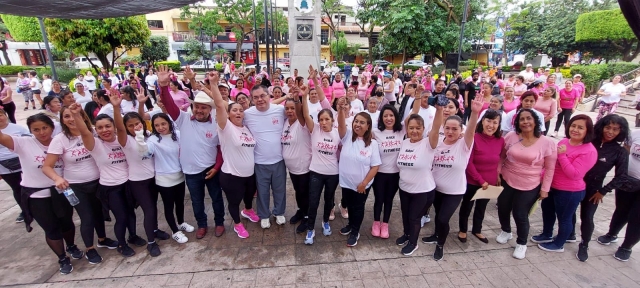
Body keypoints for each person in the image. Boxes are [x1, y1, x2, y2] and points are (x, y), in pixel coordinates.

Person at [0, 114, 82, 274]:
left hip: (61, 192)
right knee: (51, 228)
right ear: (30, 131)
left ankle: (71, 246)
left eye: (44, 128)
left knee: (66, 223)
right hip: (36, 195)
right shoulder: (23, 142)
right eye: (36, 129)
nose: (41, 132)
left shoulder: (60, 142)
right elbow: (2, 137)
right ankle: (62, 257)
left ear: (51, 127)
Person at [43, 106, 119, 265]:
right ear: (62, 120)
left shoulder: (94, 131)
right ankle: (90, 249)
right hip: (76, 186)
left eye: (74, 115)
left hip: (99, 181)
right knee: (87, 217)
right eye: (66, 116)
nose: (71, 119)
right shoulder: (60, 139)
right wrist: (57, 178)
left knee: (99, 213)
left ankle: (102, 239)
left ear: (82, 116)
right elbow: (47, 166)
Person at [158, 65, 226, 239]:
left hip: (212, 169)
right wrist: (163, 86)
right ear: (193, 107)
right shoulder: (183, 119)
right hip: (191, 171)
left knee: (217, 199)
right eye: (197, 107)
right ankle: (202, 225)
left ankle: (219, 223)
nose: (199, 110)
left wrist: (217, 167)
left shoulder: (216, 123)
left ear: (210, 109)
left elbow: (220, 148)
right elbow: (169, 105)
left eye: (204, 107)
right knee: (197, 201)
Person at [69, 103, 142, 257]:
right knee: (121, 217)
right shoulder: (95, 144)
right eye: (100, 128)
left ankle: (133, 236)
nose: (104, 130)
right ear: (95, 130)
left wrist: (116, 107)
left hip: (128, 184)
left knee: (131, 213)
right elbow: (84, 132)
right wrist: (76, 114)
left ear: (114, 126)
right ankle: (121, 244)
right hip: (110, 187)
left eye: (108, 126)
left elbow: (123, 128)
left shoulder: (123, 139)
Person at [422, 92, 481, 261]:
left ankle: (440, 244)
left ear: (461, 130)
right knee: (438, 216)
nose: (450, 131)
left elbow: (471, 131)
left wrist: (475, 113)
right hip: (436, 189)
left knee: (443, 218)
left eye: (455, 129)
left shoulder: (464, 145)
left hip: (454, 192)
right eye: (447, 128)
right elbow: (435, 127)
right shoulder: (438, 143)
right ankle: (435, 235)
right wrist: (439, 110)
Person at [111, 94, 172, 257]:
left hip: (154, 178)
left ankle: (154, 229)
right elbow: (119, 127)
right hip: (138, 182)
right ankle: (151, 243)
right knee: (149, 210)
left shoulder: (147, 136)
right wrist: (116, 108)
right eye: (130, 125)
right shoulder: (125, 140)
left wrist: (141, 104)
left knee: (154, 207)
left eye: (137, 123)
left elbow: (142, 120)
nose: (134, 127)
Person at [496, 108, 557, 259]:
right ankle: (506, 231)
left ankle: (521, 243)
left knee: (520, 213)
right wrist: (498, 172)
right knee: (503, 207)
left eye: (528, 118)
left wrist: (545, 189)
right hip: (507, 179)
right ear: (517, 122)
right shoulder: (511, 136)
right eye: (521, 119)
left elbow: (550, 169)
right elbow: (502, 156)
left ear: (536, 121)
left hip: (530, 183)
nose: (525, 122)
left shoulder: (547, 142)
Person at [203, 72, 257, 239]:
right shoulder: (225, 127)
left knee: (249, 197)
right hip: (232, 175)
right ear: (228, 114)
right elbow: (219, 105)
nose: (239, 112)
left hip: (250, 174)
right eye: (234, 110)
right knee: (234, 201)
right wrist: (213, 84)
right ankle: (237, 224)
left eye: (241, 110)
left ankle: (247, 210)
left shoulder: (246, 128)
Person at [533, 115, 597, 253]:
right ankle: (546, 234)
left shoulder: (589, 151)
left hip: (570, 191)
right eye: (573, 126)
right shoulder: (564, 141)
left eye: (580, 127)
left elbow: (575, 174)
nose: (575, 130)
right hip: (552, 186)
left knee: (565, 218)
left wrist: (562, 156)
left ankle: (559, 243)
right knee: (548, 211)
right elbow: (551, 164)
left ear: (588, 130)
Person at [571, 115, 629, 261]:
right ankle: (569, 234)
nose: (610, 132)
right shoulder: (589, 141)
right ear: (601, 126)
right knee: (569, 212)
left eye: (615, 129)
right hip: (574, 183)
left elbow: (621, 176)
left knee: (587, 217)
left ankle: (584, 244)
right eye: (607, 127)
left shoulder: (619, 151)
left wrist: (603, 191)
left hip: (594, 189)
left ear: (621, 132)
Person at [136, 110, 195, 245]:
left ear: (169, 123)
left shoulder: (178, 135)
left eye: (163, 123)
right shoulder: (153, 140)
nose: (161, 127)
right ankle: (175, 231)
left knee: (180, 203)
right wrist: (139, 137)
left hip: (179, 175)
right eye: (157, 125)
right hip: (164, 179)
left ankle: (181, 223)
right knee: (169, 206)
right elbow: (144, 153)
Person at [395, 86, 442, 256]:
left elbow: (436, 126)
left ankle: (413, 243)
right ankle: (407, 235)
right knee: (406, 215)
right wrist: (415, 98)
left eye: (418, 128)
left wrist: (439, 109)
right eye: (411, 128)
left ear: (423, 129)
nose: (414, 131)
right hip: (404, 188)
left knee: (415, 218)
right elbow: (410, 116)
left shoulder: (428, 143)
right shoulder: (405, 142)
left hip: (422, 190)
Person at [302, 67, 344, 244]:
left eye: (327, 119)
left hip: (332, 174)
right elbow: (305, 113)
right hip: (316, 172)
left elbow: (327, 104)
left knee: (329, 201)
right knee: (313, 202)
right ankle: (310, 229)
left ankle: (325, 221)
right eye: (321, 119)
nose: (324, 122)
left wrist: (341, 109)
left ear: (332, 121)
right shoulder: (315, 130)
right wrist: (304, 95)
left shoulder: (338, 132)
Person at [244, 80, 288, 229]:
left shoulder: (280, 110)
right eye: (256, 97)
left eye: (262, 95)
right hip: (259, 161)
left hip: (278, 160)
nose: (260, 99)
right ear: (252, 99)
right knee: (262, 191)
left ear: (269, 96)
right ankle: (264, 215)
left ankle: (279, 212)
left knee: (279, 189)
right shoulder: (247, 114)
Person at [595, 126, 640, 262]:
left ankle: (627, 246)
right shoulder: (635, 133)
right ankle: (612, 234)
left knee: (637, 216)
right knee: (621, 209)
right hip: (627, 180)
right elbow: (626, 151)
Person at [459, 110, 503, 244]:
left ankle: (477, 229)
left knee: (481, 208)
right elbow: (468, 162)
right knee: (466, 207)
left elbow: (500, 158)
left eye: (495, 122)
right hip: (472, 181)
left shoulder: (500, 140)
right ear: (482, 121)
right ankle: (463, 230)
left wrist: (498, 174)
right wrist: (480, 180)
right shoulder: (474, 138)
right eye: (488, 121)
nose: (491, 125)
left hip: (489, 182)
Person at [338, 110, 381, 247]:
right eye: (356, 121)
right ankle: (350, 225)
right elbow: (340, 124)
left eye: (362, 122)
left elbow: (375, 167)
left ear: (368, 126)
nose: (358, 125)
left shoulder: (372, 144)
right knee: (349, 205)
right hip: (346, 183)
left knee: (358, 208)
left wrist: (364, 183)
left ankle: (355, 232)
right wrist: (340, 110)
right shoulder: (347, 136)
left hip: (361, 185)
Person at [281, 87, 312, 233]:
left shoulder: (302, 124)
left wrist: (297, 98)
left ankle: (307, 217)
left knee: (304, 192)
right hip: (292, 168)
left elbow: (301, 113)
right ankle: (300, 211)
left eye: (292, 108)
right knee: (297, 192)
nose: (289, 111)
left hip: (303, 167)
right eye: (287, 108)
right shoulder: (285, 123)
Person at [371, 105, 403, 239]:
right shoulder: (375, 132)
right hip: (379, 173)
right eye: (385, 116)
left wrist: (417, 96)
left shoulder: (401, 131)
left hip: (395, 174)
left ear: (396, 117)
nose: (388, 118)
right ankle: (376, 222)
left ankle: (385, 224)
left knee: (389, 200)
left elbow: (415, 113)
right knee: (379, 199)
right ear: (381, 118)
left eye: (391, 115)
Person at [0, 108, 30, 223]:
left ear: (5, 115)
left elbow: (29, 140)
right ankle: (25, 211)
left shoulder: (17, 128)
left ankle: (35, 208)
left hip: (22, 161)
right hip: (4, 166)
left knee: (28, 186)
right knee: (17, 188)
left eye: (0, 115)